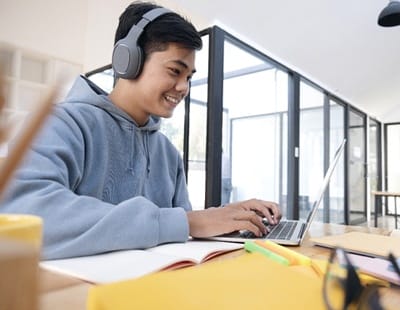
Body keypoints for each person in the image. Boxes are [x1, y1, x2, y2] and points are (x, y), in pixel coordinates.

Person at [1, 1, 281, 260]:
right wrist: (184, 221)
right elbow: (25, 215)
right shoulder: (63, 123)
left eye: (189, 78)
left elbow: (180, 231)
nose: (184, 87)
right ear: (128, 61)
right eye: (174, 71)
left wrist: (224, 218)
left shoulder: (168, 154)